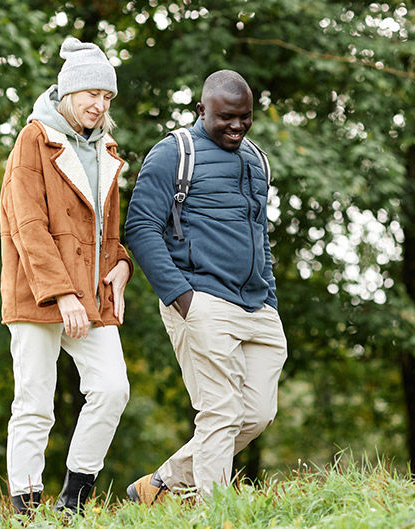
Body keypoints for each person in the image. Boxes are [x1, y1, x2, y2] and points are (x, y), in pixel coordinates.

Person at [124, 70, 288, 502]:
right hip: (201, 300)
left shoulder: (257, 160)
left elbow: (259, 236)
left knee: (256, 414)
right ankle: (214, 512)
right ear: (202, 110)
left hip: (257, 306)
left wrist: (269, 295)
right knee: (221, 412)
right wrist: (184, 299)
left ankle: (162, 484)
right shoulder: (173, 153)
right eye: (226, 117)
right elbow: (140, 227)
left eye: (245, 118)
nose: (236, 126)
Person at [0, 36, 132, 516]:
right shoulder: (33, 140)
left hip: (91, 294)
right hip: (37, 293)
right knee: (34, 402)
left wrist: (121, 266)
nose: (99, 104)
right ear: (68, 93)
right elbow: (27, 227)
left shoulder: (107, 149)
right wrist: (62, 295)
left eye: (107, 97)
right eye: (91, 94)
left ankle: (72, 501)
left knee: (113, 387)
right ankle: (26, 512)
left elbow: (109, 233)